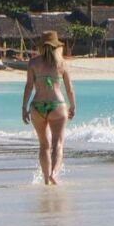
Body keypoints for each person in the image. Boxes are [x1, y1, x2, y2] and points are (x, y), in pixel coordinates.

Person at [21, 31, 77, 185]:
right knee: (57, 144)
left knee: (44, 145)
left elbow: (28, 87)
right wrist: (73, 106)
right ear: (56, 46)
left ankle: (46, 179)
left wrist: (24, 107)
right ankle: (54, 174)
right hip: (57, 105)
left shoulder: (33, 63)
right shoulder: (62, 63)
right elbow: (69, 89)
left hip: (37, 106)